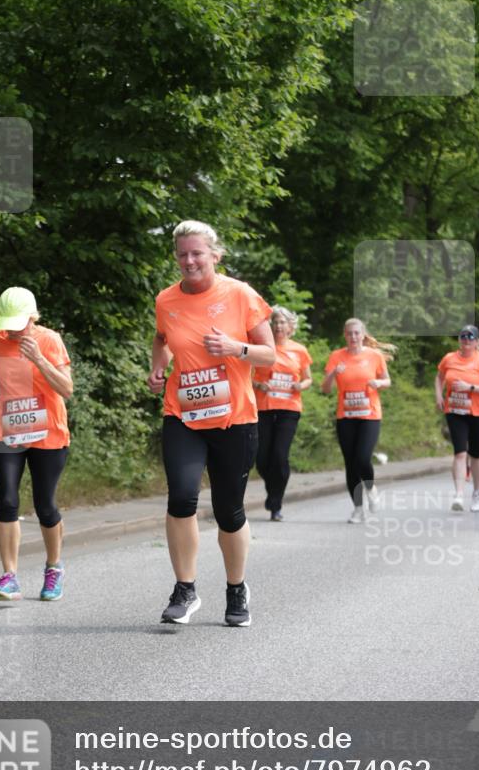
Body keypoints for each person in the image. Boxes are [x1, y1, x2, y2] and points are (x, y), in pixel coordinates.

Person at [147, 221, 275, 627]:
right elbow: (162, 338)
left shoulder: (240, 295)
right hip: (183, 415)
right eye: (182, 254)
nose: (189, 261)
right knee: (181, 497)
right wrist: (157, 368)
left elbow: (270, 355)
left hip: (233, 419)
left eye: (197, 253)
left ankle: (236, 588)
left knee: (228, 510)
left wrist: (236, 348)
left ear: (214, 255)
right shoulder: (166, 300)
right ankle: (185, 589)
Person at [0, 287, 73, 600]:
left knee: (44, 505)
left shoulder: (49, 340)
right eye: (7, 323)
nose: (12, 330)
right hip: (7, 429)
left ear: (33, 317)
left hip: (48, 433)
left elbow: (67, 388)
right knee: (7, 500)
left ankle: (54, 568)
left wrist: (38, 359)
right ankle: (9, 577)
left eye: (19, 323)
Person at [321, 318, 395, 523]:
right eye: (349, 333)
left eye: (356, 333)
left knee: (362, 458)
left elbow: (387, 380)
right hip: (345, 416)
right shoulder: (337, 357)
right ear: (344, 335)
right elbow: (325, 388)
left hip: (369, 415)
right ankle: (358, 509)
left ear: (362, 335)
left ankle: (371, 489)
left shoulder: (374, 356)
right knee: (350, 464)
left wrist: (378, 382)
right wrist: (333, 374)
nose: (353, 337)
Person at [252, 307, 312, 521]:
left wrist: (300, 386)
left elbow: (308, 378)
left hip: (289, 408)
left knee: (279, 456)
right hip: (264, 407)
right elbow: (246, 377)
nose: (278, 326)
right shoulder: (262, 348)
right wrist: (259, 384)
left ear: (290, 326)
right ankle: (274, 491)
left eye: (282, 322)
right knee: (261, 459)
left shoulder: (300, 350)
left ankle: (275, 502)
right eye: (275, 322)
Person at [435, 325, 479, 512]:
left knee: (475, 454)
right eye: (463, 336)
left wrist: (469, 387)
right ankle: (459, 494)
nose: (466, 340)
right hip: (455, 411)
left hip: (478, 412)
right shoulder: (449, 358)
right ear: (459, 340)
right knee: (460, 452)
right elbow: (439, 378)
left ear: (477, 342)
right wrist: (439, 395)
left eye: (471, 337)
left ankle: (477, 492)